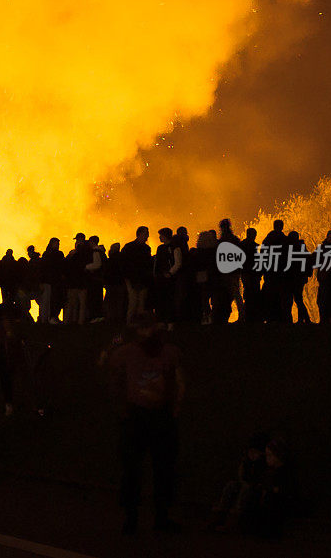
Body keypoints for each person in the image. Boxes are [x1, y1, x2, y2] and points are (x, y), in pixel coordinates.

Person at [107, 312, 185, 534]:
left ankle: (134, 520)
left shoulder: (127, 352)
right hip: (153, 416)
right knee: (159, 470)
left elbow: (111, 373)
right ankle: (155, 519)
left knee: (139, 470)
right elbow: (180, 383)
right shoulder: (168, 351)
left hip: (140, 416)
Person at [208, 433, 269, 531]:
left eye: (255, 452)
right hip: (245, 484)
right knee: (231, 485)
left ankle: (234, 517)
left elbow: (262, 480)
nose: (252, 454)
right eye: (250, 451)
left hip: (254, 487)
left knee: (246, 488)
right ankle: (220, 513)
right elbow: (241, 476)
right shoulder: (246, 462)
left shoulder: (264, 465)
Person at [121, 227, 152, 324]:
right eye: (146, 234)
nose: (147, 236)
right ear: (140, 234)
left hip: (139, 279)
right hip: (133, 279)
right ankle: (132, 323)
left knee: (138, 303)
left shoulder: (130, 247)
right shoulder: (143, 248)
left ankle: (135, 323)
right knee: (135, 302)